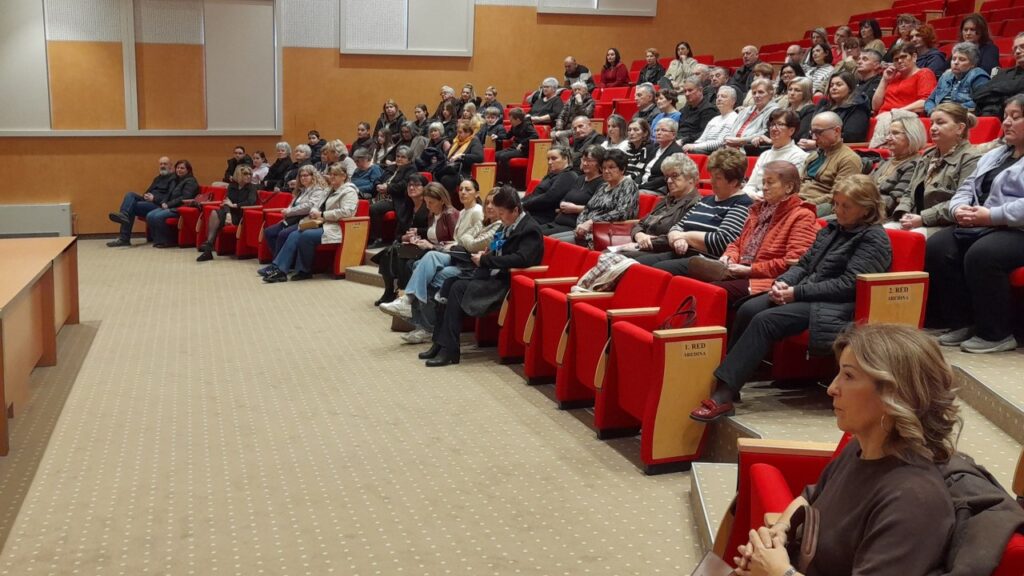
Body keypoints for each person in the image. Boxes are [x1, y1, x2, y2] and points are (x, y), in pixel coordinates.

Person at [732, 323, 959, 576]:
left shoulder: (914, 502)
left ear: (894, 395)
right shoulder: (860, 449)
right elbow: (812, 496)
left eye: (848, 376)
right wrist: (780, 531)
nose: (832, 388)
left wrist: (780, 572)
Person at [691, 175, 892, 421]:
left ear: (867, 209)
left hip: (836, 305)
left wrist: (796, 292)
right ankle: (730, 385)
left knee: (766, 320)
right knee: (749, 309)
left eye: (845, 206)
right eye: (836, 204)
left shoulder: (873, 239)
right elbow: (804, 264)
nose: (838, 210)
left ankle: (723, 396)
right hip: (809, 293)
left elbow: (849, 285)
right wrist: (783, 282)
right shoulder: (833, 229)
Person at [926, 95, 1024, 353]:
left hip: (1016, 229)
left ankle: (997, 333)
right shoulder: (995, 155)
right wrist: (958, 209)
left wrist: (990, 215)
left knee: (983, 254)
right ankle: (963, 322)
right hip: (985, 224)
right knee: (938, 246)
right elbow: (966, 188)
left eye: (1016, 117)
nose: (1007, 122)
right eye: (1005, 116)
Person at [420, 186, 543, 367]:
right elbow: (500, 250)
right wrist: (487, 254)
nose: (500, 217)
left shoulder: (530, 229)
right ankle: (439, 343)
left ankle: (450, 349)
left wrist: (486, 260)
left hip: (505, 282)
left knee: (457, 288)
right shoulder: (509, 224)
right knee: (449, 283)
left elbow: (522, 259)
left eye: (502, 213)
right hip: (491, 274)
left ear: (516, 210)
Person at [379, 179, 489, 341]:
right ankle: (421, 323)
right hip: (454, 253)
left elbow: (472, 242)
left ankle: (413, 308)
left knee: (429, 267)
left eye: (468, 189)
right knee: (417, 265)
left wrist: (443, 245)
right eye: (461, 189)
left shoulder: (475, 212)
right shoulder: (463, 212)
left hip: (465, 259)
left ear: (477, 193)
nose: (463, 192)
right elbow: (457, 240)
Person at [633, 148, 753, 272]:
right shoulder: (706, 200)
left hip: (706, 260)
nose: (711, 181)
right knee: (636, 264)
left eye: (717, 178)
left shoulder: (743, 203)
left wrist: (684, 236)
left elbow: (722, 241)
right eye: (711, 176)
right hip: (683, 252)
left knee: (656, 270)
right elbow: (676, 227)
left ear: (733, 182)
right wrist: (678, 238)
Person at [717, 161, 819, 305]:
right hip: (740, 271)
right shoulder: (759, 209)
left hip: (768, 281)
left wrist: (750, 270)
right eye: (763, 182)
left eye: (770, 183)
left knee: (712, 291)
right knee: (693, 276)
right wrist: (729, 257)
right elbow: (738, 242)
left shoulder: (802, 216)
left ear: (789, 187)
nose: (764, 187)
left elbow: (794, 262)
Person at [893, 103, 981, 235]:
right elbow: (909, 191)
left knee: (908, 238)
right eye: (932, 123)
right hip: (915, 219)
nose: (933, 128)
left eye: (940, 123)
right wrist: (904, 212)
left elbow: (962, 202)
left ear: (960, 128)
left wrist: (923, 218)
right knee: (885, 233)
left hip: (948, 225)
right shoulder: (927, 155)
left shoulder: (971, 158)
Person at [262, 164, 360, 283]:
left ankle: (304, 271)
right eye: (330, 174)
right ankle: (280, 269)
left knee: (306, 235)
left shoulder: (349, 191)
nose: (332, 177)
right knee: (294, 234)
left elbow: (347, 212)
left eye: (335, 175)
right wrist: (314, 211)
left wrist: (323, 214)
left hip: (335, 226)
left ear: (343, 176)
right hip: (318, 223)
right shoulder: (329, 190)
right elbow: (316, 205)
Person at [376, 182, 459, 299]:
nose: (428, 206)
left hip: (442, 253)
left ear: (442, 200)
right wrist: (418, 240)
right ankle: (392, 291)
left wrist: (431, 245)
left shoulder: (450, 214)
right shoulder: (432, 214)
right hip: (430, 249)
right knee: (393, 252)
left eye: (431, 202)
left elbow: (456, 244)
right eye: (426, 202)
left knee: (408, 262)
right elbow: (433, 236)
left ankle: (404, 294)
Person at [615, 153, 702, 258]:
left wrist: (643, 242)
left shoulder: (696, 203)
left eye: (674, 176)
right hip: (644, 247)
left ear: (691, 178)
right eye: (667, 177)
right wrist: (639, 235)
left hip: (662, 253)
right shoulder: (667, 199)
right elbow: (641, 223)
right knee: (606, 255)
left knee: (612, 258)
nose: (669, 181)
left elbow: (679, 237)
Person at [550, 149, 638, 247]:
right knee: (550, 239)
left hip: (608, 232)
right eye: (604, 168)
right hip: (586, 230)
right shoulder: (603, 186)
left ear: (622, 169)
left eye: (611, 167)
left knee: (555, 244)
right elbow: (587, 209)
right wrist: (580, 225)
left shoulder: (628, 184)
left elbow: (622, 213)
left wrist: (592, 222)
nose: (606, 171)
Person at [371, 174, 430, 305]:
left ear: (425, 188)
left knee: (394, 253)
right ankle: (389, 290)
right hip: (407, 244)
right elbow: (398, 234)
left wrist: (417, 232)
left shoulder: (429, 206)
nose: (412, 188)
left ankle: (400, 290)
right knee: (388, 254)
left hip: (424, 245)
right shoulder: (405, 207)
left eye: (416, 185)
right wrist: (404, 237)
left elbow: (433, 231)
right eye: (410, 185)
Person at [258, 165, 327, 271]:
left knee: (283, 234)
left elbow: (309, 206)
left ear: (313, 176)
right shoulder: (302, 190)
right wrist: (287, 210)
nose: (303, 178)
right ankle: (280, 261)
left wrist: (290, 211)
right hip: (293, 218)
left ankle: (277, 266)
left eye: (306, 175)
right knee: (269, 232)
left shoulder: (318, 190)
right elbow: (293, 204)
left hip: (306, 219)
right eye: (301, 176)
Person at [870, 44, 938, 146]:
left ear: (914, 57)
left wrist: (896, 112)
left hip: (904, 118)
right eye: (896, 59)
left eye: (903, 57)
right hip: (883, 118)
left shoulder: (924, 73)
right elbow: (875, 106)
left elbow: (925, 102)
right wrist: (884, 80)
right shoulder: (893, 76)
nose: (899, 61)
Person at [800, 112, 863, 217]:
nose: (814, 137)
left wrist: (803, 204)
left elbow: (837, 196)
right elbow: (799, 182)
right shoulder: (813, 155)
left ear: (836, 131)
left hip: (820, 206)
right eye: (812, 132)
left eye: (818, 132)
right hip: (799, 201)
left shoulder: (849, 159)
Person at [872, 111, 928, 225]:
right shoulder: (886, 161)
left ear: (912, 136)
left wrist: (859, 204)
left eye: (895, 133)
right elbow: (864, 186)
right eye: (888, 133)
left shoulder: (915, 165)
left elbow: (894, 202)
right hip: (864, 211)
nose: (888, 138)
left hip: (883, 217)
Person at [106, 156, 176, 247]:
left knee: (132, 206)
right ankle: (124, 214)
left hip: (158, 206)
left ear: (171, 166)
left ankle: (124, 238)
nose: (162, 166)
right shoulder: (157, 178)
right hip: (148, 202)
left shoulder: (174, 179)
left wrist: (154, 198)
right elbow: (148, 191)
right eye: (161, 164)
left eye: (165, 164)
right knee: (130, 195)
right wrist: (146, 196)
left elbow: (170, 196)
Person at [197, 165, 258, 262]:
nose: (249, 176)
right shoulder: (232, 186)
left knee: (217, 216)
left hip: (242, 215)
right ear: (238, 175)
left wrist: (234, 205)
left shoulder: (252, 187)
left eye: (250, 174)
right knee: (214, 213)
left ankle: (208, 246)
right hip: (230, 213)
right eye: (245, 174)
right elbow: (226, 202)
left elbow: (251, 202)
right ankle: (209, 246)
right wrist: (228, 214)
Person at [540, 146, 606, 236]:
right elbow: (566, 197)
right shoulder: (580, 178)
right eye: (583, 159)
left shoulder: (602, 183)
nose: (585, 163)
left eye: (589, 160)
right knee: (528, 232)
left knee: (536, 236)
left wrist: (576, 209)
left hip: (575, 226)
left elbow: (599, 210)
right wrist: (562, 203)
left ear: (600, 163)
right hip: (557, 222)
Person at [743, 110, 809, 200]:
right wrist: (754, 196)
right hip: (755, 199)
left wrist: (758, 197)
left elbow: (787, 190)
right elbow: (750, 186)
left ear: (791, 130)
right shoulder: (764, 155)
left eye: (780, 124)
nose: (774, 128)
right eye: (772, 124)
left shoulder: (799, 156)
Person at [368, 146, 418, 248]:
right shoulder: (392, 167)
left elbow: (404, 185)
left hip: (396, 199)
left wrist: (388, 188)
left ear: (409, 160)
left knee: (374, 209)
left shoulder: (411, 170)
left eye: (403, 157)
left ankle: (378, 238)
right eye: (398, 156)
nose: (399, 159)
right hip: (380, 195)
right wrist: (378, 185)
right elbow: (378, 178)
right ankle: (365, 236)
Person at [145, 159, 199, 248]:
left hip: (180, 208)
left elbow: (184, 197)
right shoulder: (176, 180)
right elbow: (169, 194)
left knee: (158, 216)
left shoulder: (191, 181)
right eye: (178, 168)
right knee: (150, 215)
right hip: (171, 206)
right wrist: (164, 202)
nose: (179, 170)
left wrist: (168, 205)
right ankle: (157, 240)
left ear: (188, 170)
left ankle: (168, 241)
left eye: (182, 168)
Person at [925, 42, 990, 114]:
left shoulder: (978, 75)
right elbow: (930, 100)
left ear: (972, 64)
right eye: (954, 59)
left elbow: (980, 101)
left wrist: (949, 110)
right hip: (938, 115)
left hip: (962, 116)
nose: (956, 62)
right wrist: (932, 111)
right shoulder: (945, 76)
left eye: (962, 59)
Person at [808, 71, 871, 145]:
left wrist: (818, 143)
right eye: (831, 85)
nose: (834, 88)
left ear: (850, 88)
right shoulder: (824, 104)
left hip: (840, 148)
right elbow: (812, 128)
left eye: (839, 85)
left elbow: (852, 136)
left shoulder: (858, 107)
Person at [522, 146, 579, 224]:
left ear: (565, 158)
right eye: (548, 159)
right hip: (534, 211)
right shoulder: (551, 175)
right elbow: (535, 194)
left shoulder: (569, 175)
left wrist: (524, 205)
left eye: (554, 158)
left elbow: (549, 198)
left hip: (545, 216)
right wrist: (520, 202)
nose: (549, 162)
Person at [972, 32, 1024, 118]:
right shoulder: (1003, 73)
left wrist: (994, 91)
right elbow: (978, 95)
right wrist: (1006, 94)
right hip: (987, 116)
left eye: (1022, 47)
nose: (1017, 51)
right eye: (1015, 49)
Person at [724, 78, 780, 150]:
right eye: (754, 93)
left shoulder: (775, 111)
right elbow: (731, 129)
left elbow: (766, 134)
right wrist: (728, 139)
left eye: (761, 92)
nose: (757, 95)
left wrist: (740, 141)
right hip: (731, 148)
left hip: (750, 149)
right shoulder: (745, 110)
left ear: (770, 94)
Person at [682, 86, 740, 154]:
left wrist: (695, 146)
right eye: (718, 96)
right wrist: (693, 145)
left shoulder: (734, 118)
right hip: (704, 150)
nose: (719, 99)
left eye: (723, 96)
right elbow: (701, 139)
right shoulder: (714, 119)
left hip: (720, 154)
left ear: (733, 101)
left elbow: (721, 143)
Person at [436, 120, 484, 194]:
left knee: (446, 179)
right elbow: (447, 155)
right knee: (435, 172)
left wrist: (461, 156)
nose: (458, 135)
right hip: (451, 168)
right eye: (457, 132)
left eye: (460, 132)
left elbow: (479, 157)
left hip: (463, 172)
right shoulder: (457, 141)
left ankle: (446, 199)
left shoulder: (474, 141)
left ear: (468, 133)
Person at [639, 118, 684, 195]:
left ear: (673, 135)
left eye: (663, 130)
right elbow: (643, 171)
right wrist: (634, 183)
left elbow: (665, 178)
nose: (659, 133)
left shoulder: (676, 152)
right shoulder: (655, 150)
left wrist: (640, 186)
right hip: (643, 186)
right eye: (657, 130)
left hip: (658, 190)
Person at [495, 108, 539, 184]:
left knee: (503, 156)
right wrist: (497, 136)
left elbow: (535, 136)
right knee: (495, 155)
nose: (510, 121)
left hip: (523, 150)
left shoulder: (527, 125)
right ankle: (499, 179)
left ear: (518, 120)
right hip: (514, 147)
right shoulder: (514, 125)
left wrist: (522, 143)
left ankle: (507, 181)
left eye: (511, 120)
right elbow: (507, 136)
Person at [677, 76, 720, 145]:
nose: (687, 94)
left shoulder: (709, 110)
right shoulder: (685, 109)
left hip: (692, 144)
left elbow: (704, 134)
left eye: (690, 90)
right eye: (685, 91)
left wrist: (683, 140)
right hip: (678, 139)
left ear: (700, 90)